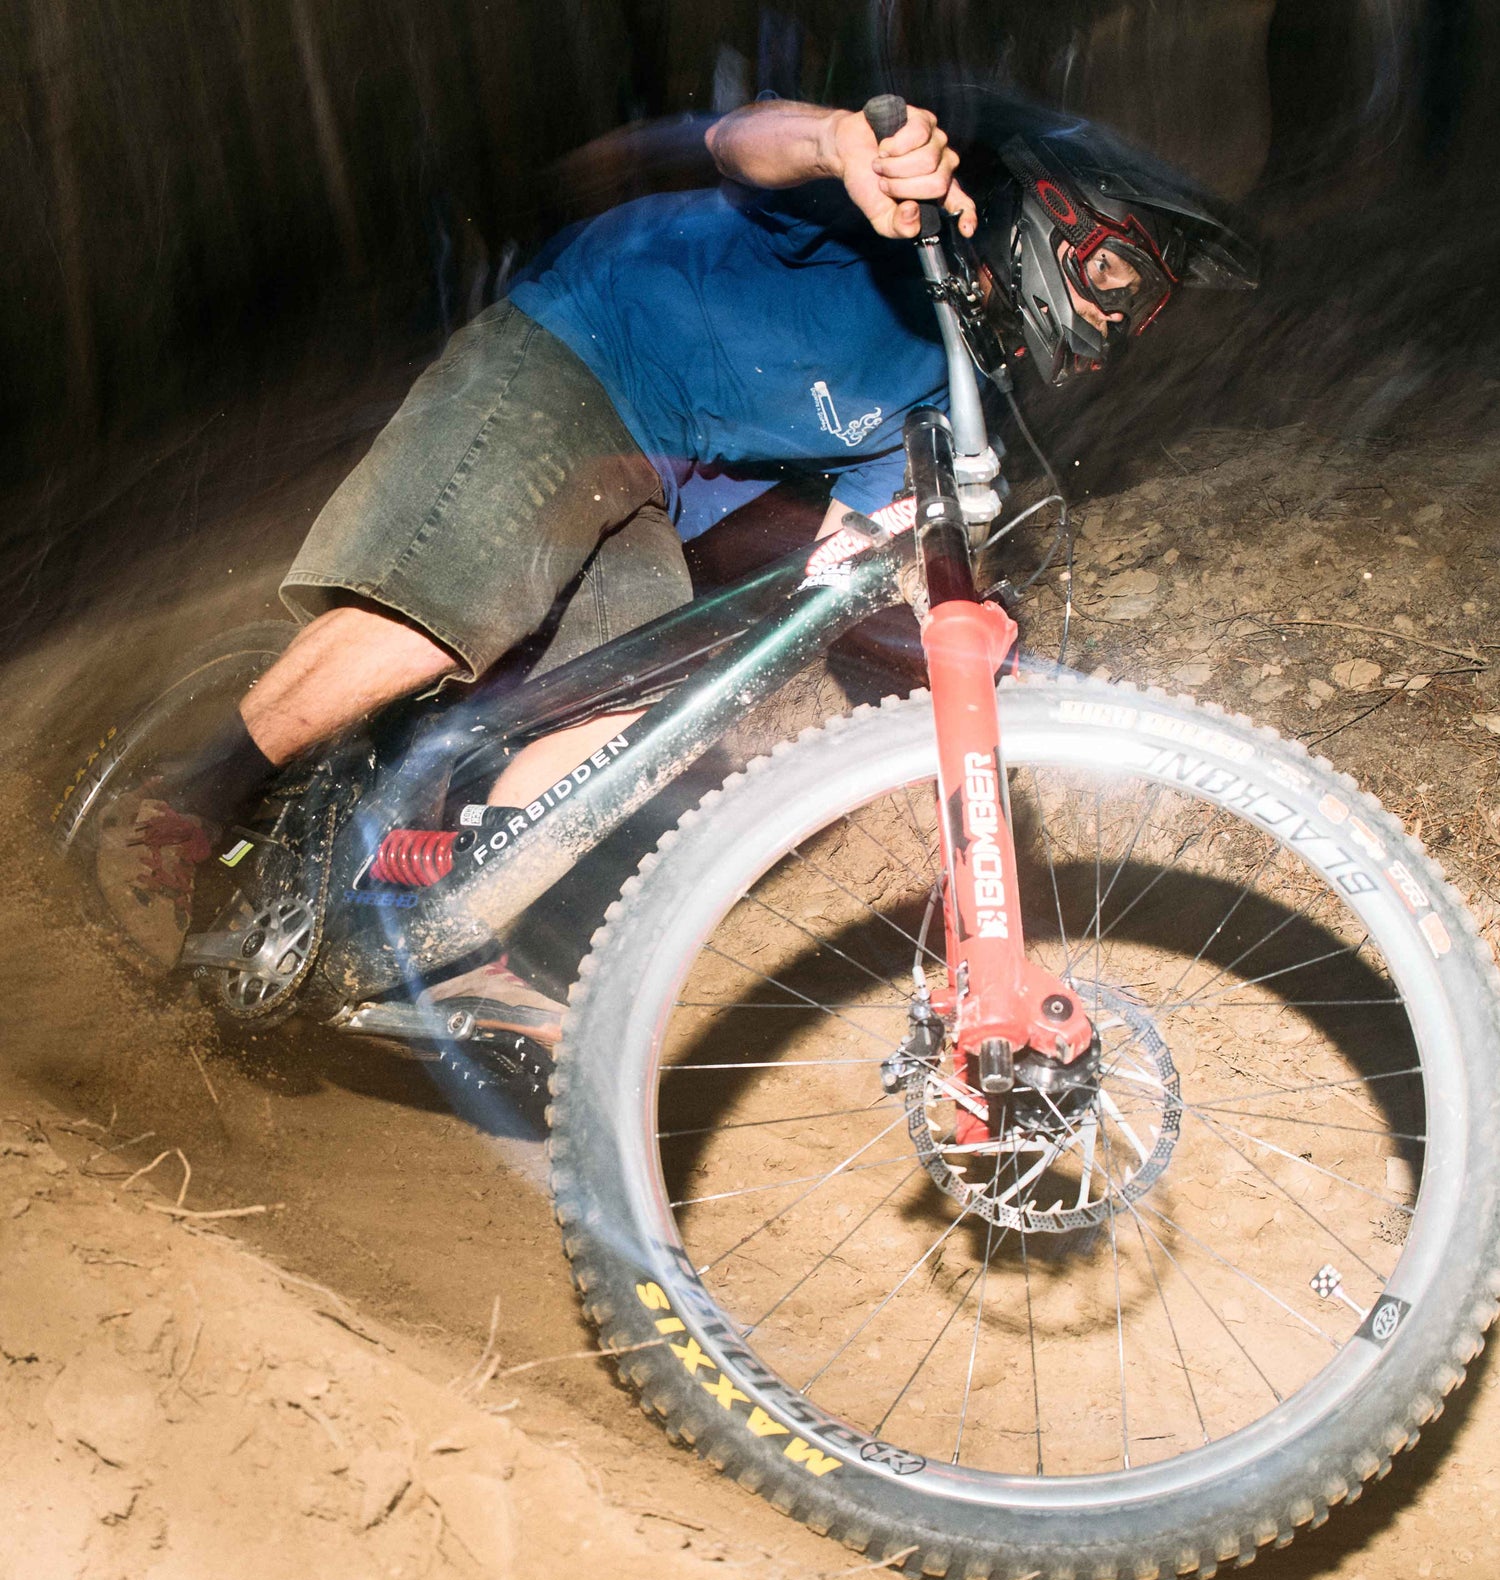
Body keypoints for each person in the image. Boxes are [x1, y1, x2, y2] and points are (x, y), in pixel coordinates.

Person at [97, 90, 1255, 1041]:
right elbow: (737, 147)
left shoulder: (945, 389)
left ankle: (453, 935)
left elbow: (826, 544)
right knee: (446, 613)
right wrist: (841, 140)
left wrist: (933, 626)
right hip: (571, 350)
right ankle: (186, 800)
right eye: (1122, 278)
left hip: (646, 469)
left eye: (1145, 310)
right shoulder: (896, 223)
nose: (1126, 319)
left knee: (647, 694)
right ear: (1050, 218)